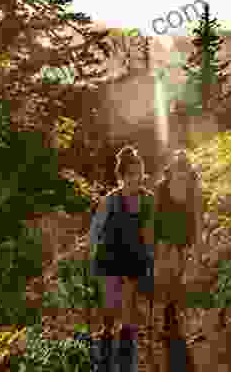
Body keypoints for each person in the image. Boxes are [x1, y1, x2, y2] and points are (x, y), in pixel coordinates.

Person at [89, 145, 155, 371]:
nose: (137, 179)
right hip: (108, 257)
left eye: (139, 174)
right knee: (109, 306)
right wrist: (90, 254)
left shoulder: (148, 200)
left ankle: (126, 361)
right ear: (122, 176)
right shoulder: (111, 200)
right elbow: (96, 229)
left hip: (132, 258)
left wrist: (150, 257)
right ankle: (106, 345)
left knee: (128, 310)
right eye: (132, 175)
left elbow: (150, 232)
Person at [153, 149, 205, 305]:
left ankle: (176, 306)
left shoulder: (194, 190)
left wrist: (197, 254)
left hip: (184, 237)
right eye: (178, 165)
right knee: (165, 275)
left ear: (189, 169)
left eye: (185, 165)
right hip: (164, 236)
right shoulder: (161, 188)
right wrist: (154, 248)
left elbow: (198, 221)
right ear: (172, 168)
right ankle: (168, 308)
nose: (181, 169)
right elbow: (154, 218)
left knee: (179, 274)